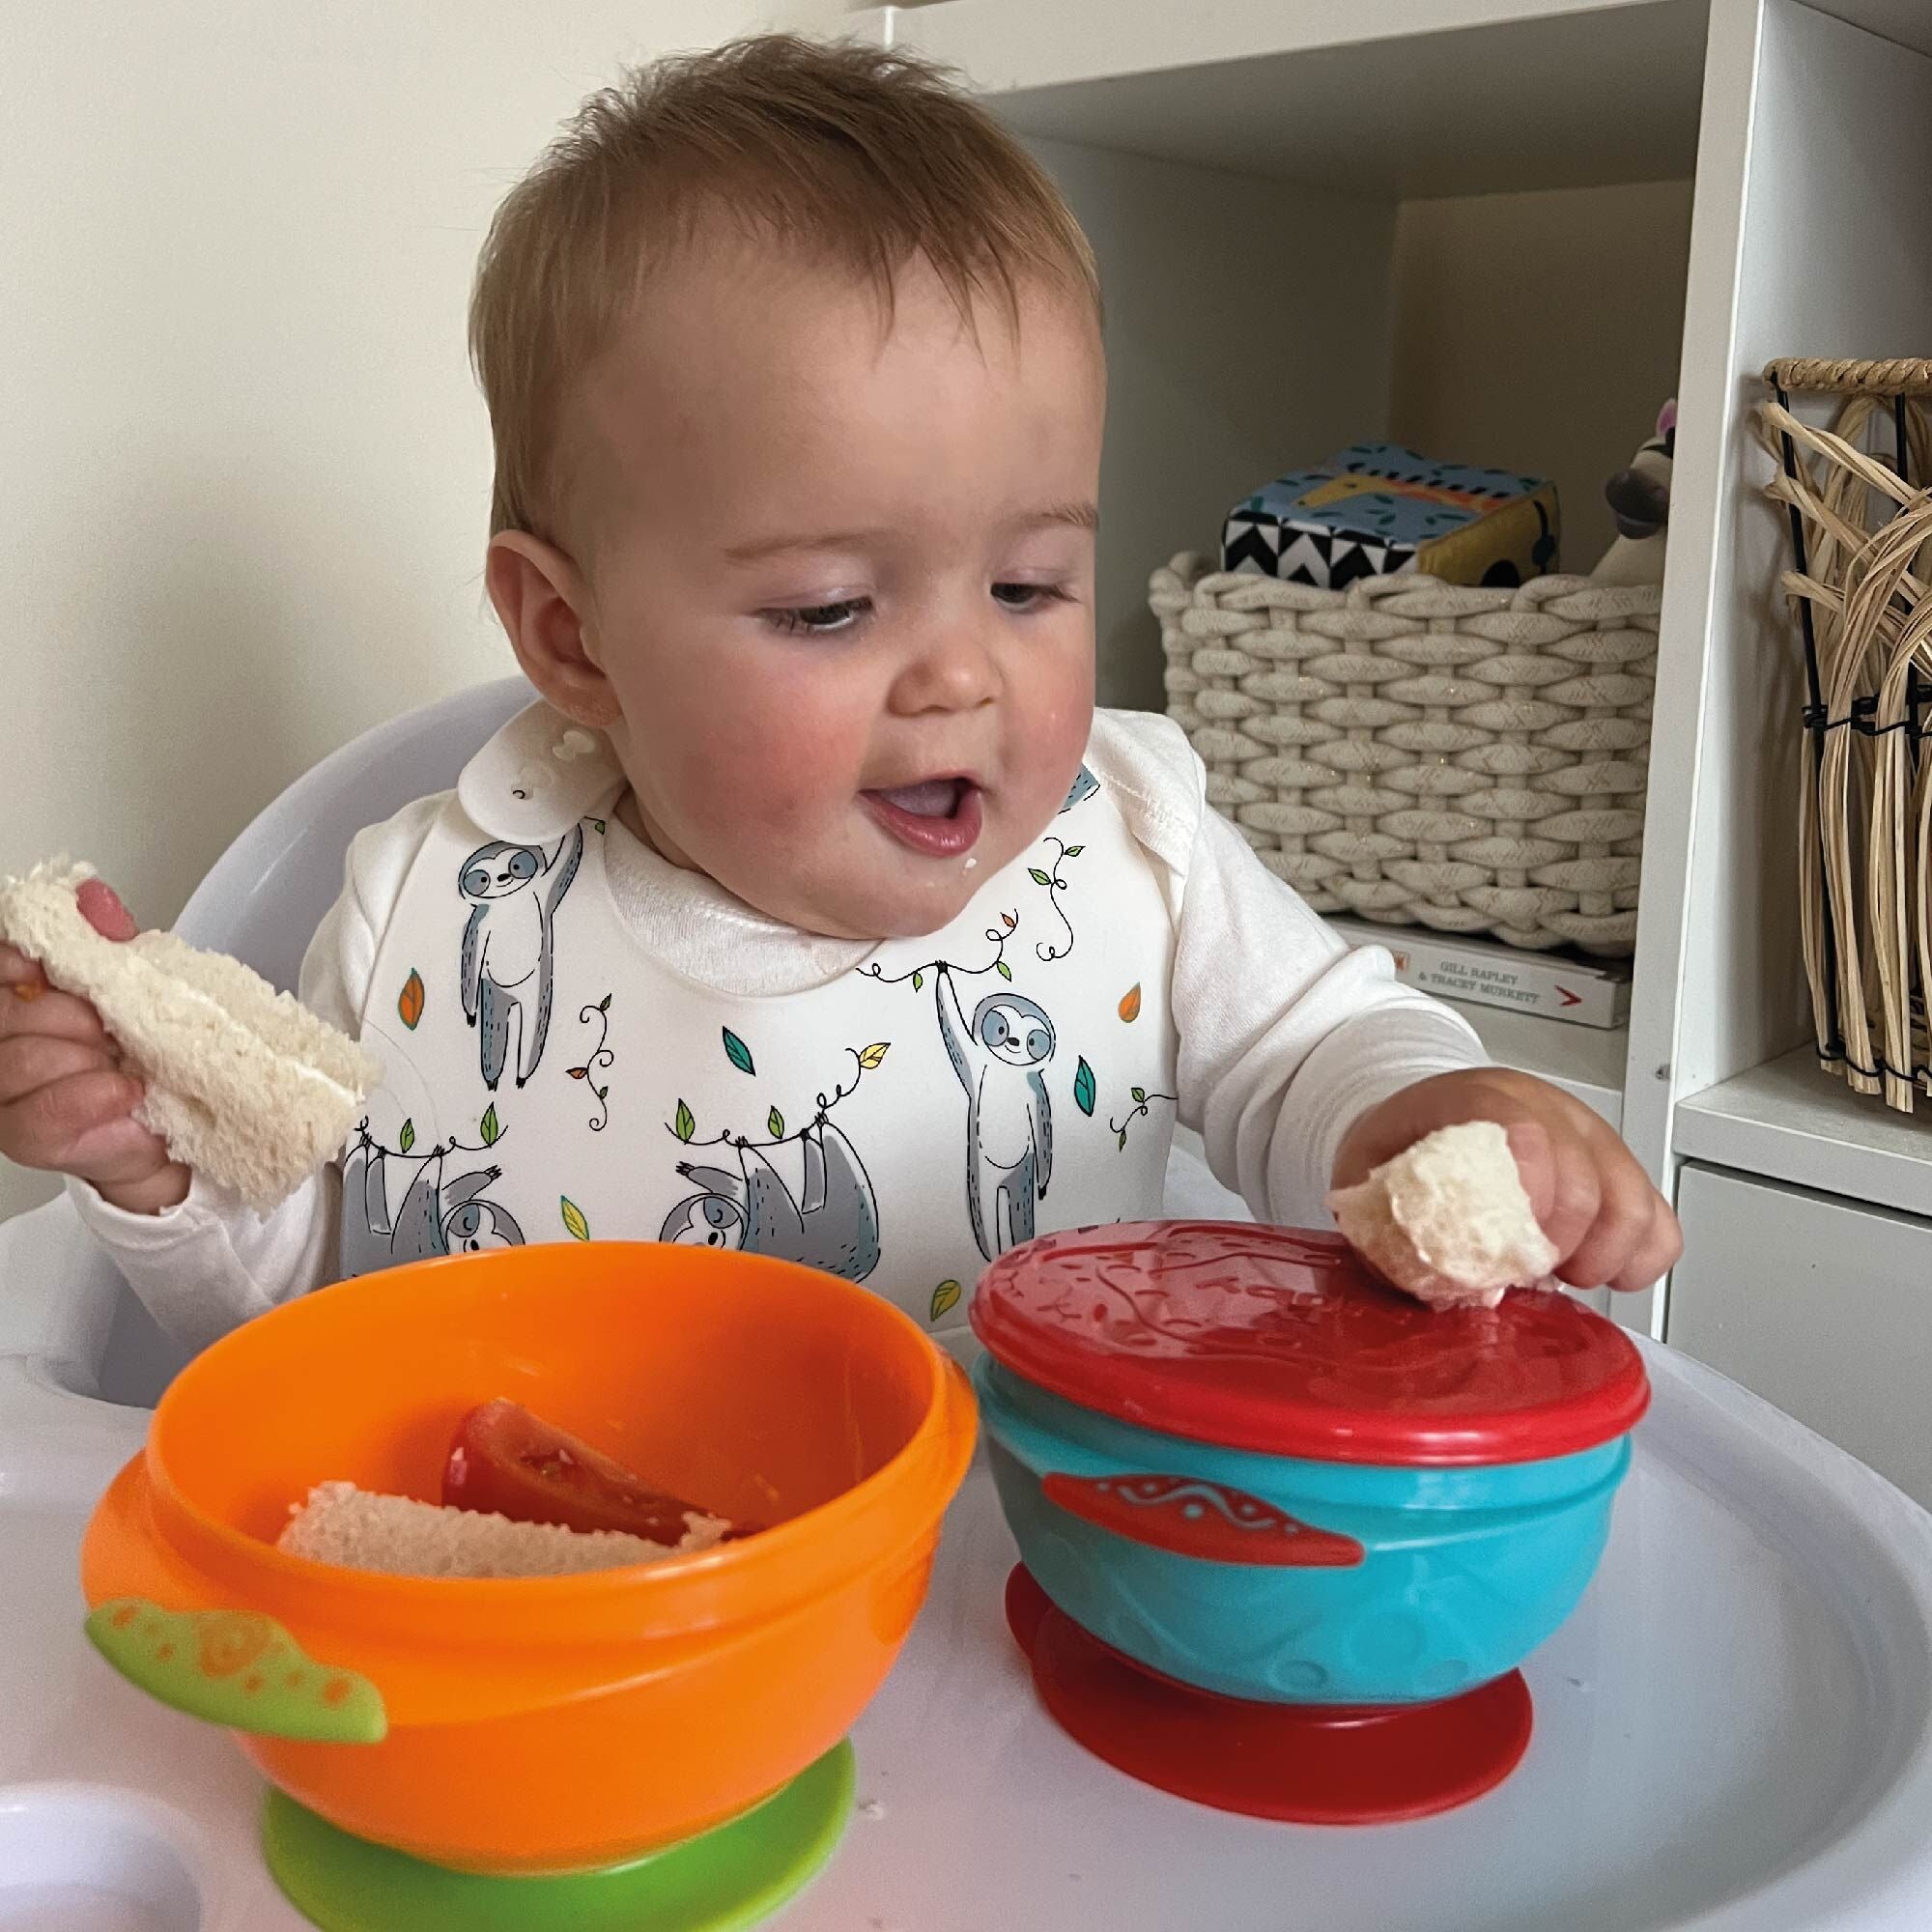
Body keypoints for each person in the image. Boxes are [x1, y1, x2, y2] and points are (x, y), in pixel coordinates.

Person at [0, 37, 1679, 1352]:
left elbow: (1310, 1050)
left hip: (999, 1617)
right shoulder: (427, 915)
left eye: (1030, 585)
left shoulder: (1132, 856)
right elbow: (315, 1303)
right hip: (568, 1638)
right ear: (575, 638)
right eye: (827, 608)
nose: (963, 671)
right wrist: (161, 1175)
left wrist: (1435, 1107)